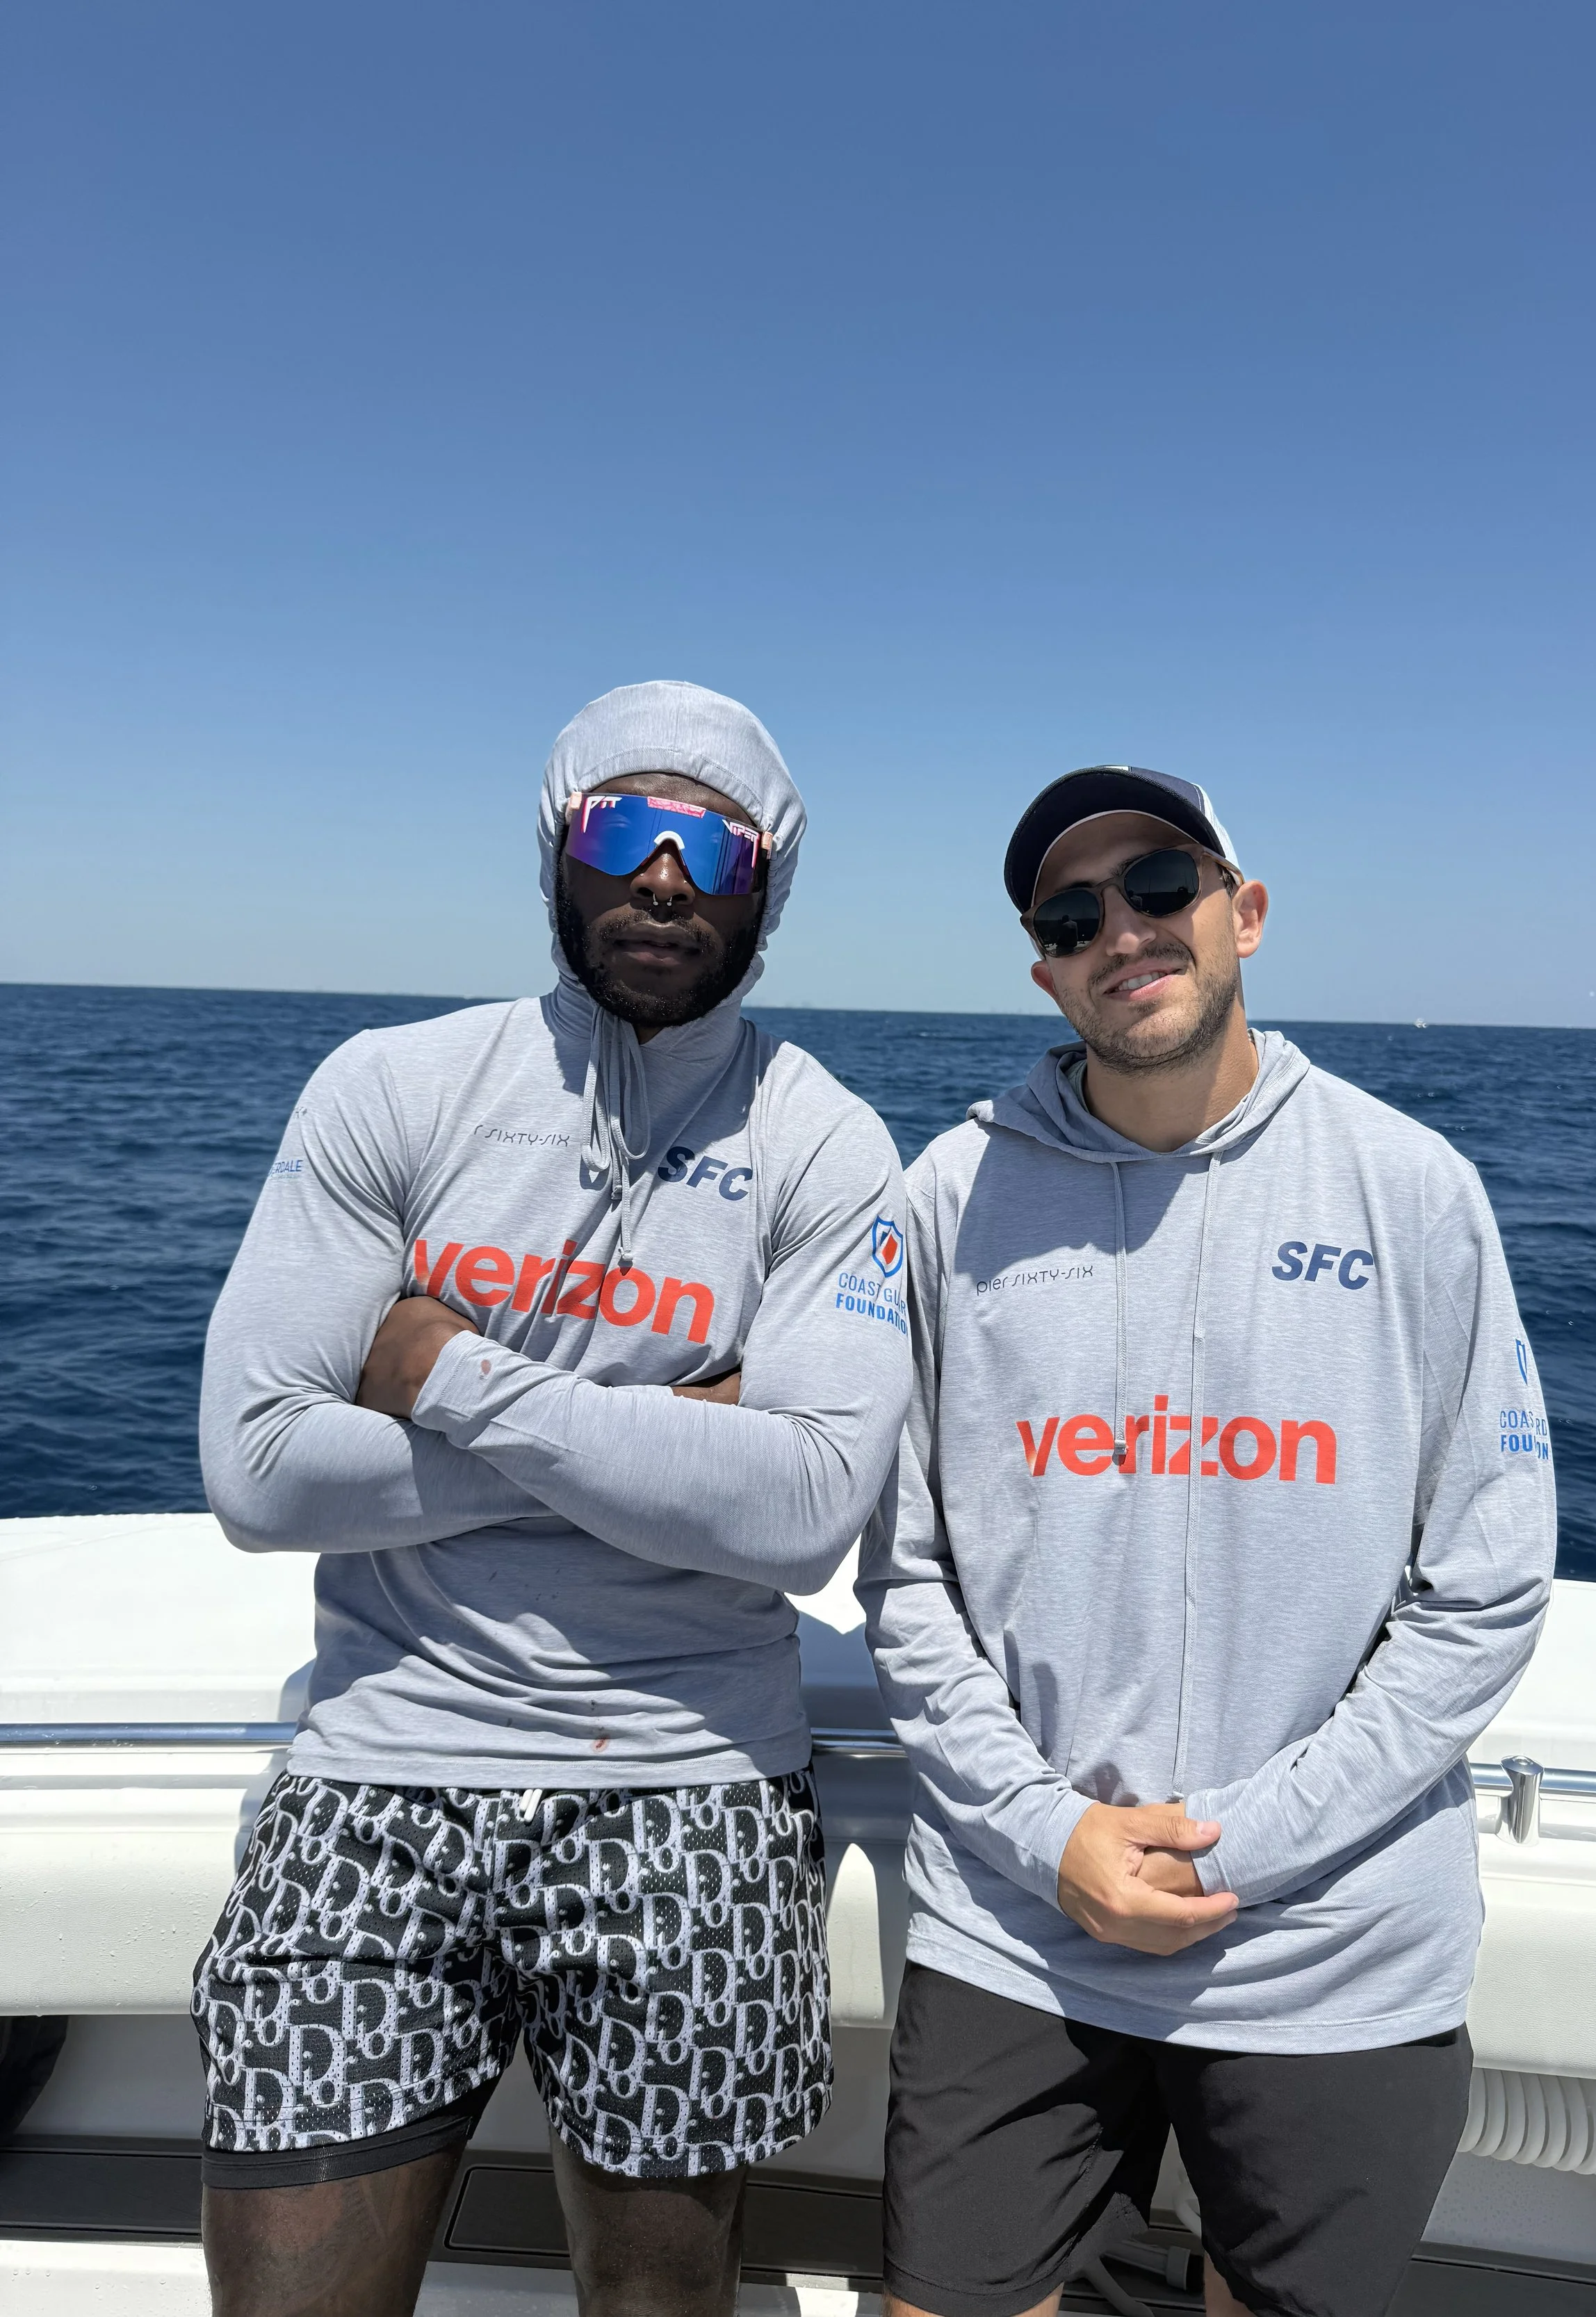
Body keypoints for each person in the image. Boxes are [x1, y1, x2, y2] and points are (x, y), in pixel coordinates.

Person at [193, 681, 913, 2317]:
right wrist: (664, 1444)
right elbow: (255, 1467)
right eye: (620, 828)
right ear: (556, 850)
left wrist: (451, 1373)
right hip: (377, 1763)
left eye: (709, 846)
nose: (662, 875)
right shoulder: (395, 1085)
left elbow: (800, 1510)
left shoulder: (824, 1142)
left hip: (691, 1778)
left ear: (763, 885)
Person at [861, 764, 1556, 2317]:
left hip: (1328, 1935)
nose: (1123, 929)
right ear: (1042, 967)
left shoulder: (1411, 1192)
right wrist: (1053, 1837)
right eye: (1070, 912)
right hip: (1021, 1916)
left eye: (1160, 886)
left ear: (1240, 911)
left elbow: (1483, 1592)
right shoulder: (944, 1199)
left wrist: (1239, 1844)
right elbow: (906, 1579)